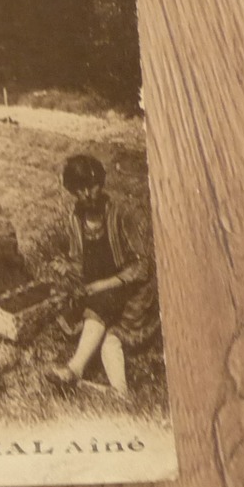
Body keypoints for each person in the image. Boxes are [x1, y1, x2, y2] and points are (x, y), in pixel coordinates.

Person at [45, 154, 160, 399]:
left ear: (102, 183)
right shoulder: (75, 219)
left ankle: (74, 370)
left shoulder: (120, 214)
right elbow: (79, 263)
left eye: (92, 186)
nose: (87, 194)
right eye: (79, 190)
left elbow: (142, 266)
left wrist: (101, 285)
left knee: (100, 305)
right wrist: (67, 268)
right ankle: (120, 394)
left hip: (133, 291)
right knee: (109, 339)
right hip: (102, 293)